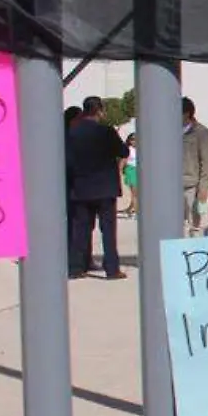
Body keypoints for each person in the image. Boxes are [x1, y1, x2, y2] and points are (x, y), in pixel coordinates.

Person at [65, 97, 127, 280]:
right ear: (100, 111)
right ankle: (112, 268)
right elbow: (123, 151)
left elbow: (67, 160)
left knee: (81, 229)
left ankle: (76, 267)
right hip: (105, 187)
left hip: (81, 187)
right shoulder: (107, 132)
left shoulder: (72, 133)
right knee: (108, 230)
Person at [181, 98, 208, 237]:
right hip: (170, 186)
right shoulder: (168, 132)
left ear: (187, 113)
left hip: (191, 186)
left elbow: (207, 163)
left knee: (193, 229)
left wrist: (203, 189)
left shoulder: (202, 133)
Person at [120, 134, 139, 218]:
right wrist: (120, 171)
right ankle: (136, 212)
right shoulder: (128, 149)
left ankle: (130, 209)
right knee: (134, 193)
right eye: (132, 139)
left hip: (138, 171)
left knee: (137, 193)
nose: (134, 141)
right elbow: (123, 161)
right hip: (130, 170)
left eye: (136, 139)